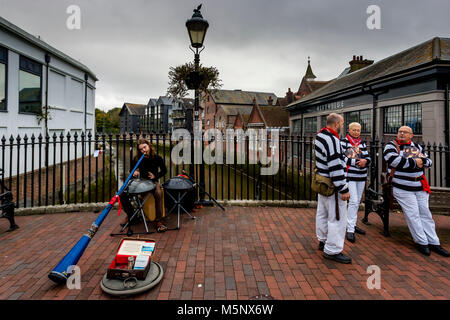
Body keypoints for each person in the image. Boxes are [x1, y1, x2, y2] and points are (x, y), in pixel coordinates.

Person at [383, 126, 449, 257]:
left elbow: (428, 162)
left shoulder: (417, 147)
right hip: (403, 188)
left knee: (425, 215)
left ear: (411, 135)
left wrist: (418, 161)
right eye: (400, 131)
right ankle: (421, 242)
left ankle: (434, 242)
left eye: (405, 132)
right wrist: (416, 162)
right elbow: (395, 161)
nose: (401, 133)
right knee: (413, 215)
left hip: (420, 186)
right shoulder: (391, 146)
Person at [315, 113, 352, 264]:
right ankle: (333, 249)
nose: (342, 127)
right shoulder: (332, 140)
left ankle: (323, 241)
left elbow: (332, 159)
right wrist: (343, 188)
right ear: (336, 124)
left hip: (322, 182)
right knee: (337, 218)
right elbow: (335, 165)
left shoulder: (320, 136)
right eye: (342, 124)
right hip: (333, 185)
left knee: (322, 213)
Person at [120, 138, 168, 232]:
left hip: (153, 182)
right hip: (140, 182)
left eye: (145, 147)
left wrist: (155, 176)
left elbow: (164, 171)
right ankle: (132, 215)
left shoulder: (157, 158)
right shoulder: (137, 158)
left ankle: (159, 221)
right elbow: (131, 170)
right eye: (141, 149)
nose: (143, 150)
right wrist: (135, 172)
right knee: (122, 194)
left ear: (149, 146)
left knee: (158, 193)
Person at [340, 122, 371, 243]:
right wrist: (358, 162)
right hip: (350, 176)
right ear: (349, 130)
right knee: (353, 201)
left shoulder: (362, 143)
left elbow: (368, 158)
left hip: (361, 176)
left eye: (358, 130)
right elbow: (343, 158)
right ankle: (350, 230)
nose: (356, 132)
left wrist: (365, 162)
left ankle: (351, 224)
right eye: (354, 130)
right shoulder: (343, 142)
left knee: (357, 201)